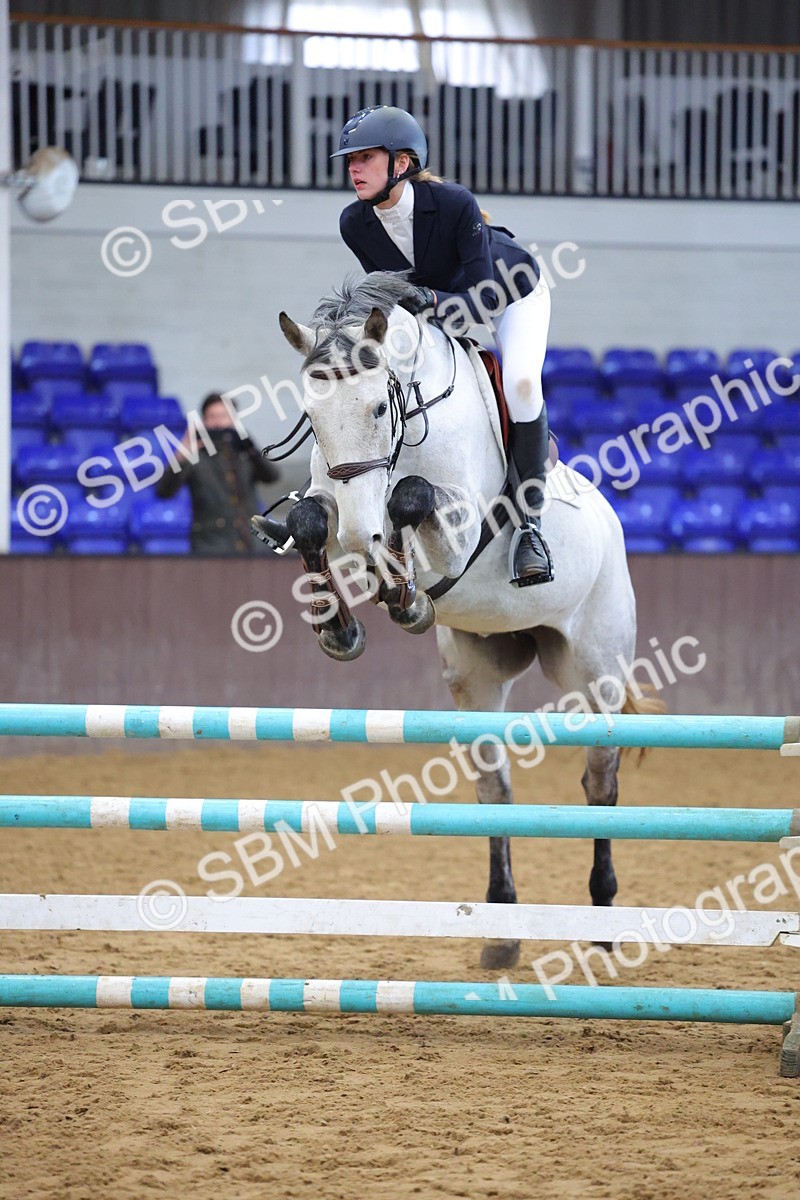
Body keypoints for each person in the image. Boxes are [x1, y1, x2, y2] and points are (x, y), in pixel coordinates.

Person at [254, 104, 553, 586]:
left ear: (402, 163)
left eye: (365, 157)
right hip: (435, 306)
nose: (352, 168)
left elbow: (482, 301)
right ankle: (315, 503)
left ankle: (530, 528)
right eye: (350, 159)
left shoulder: (453, 203)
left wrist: (429, 298)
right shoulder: (355, 222)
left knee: (520, 383)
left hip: (509, 293)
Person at [158, 392, 278, 554]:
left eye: (224, 416)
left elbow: (272, 477)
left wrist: (250, 447)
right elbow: (164, 492)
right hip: (210, 546)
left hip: (251, 545)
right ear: (204, 422)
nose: (218, 423)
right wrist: (181, 454)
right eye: (212, 417)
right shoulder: (195, 457)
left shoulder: (244, 454)